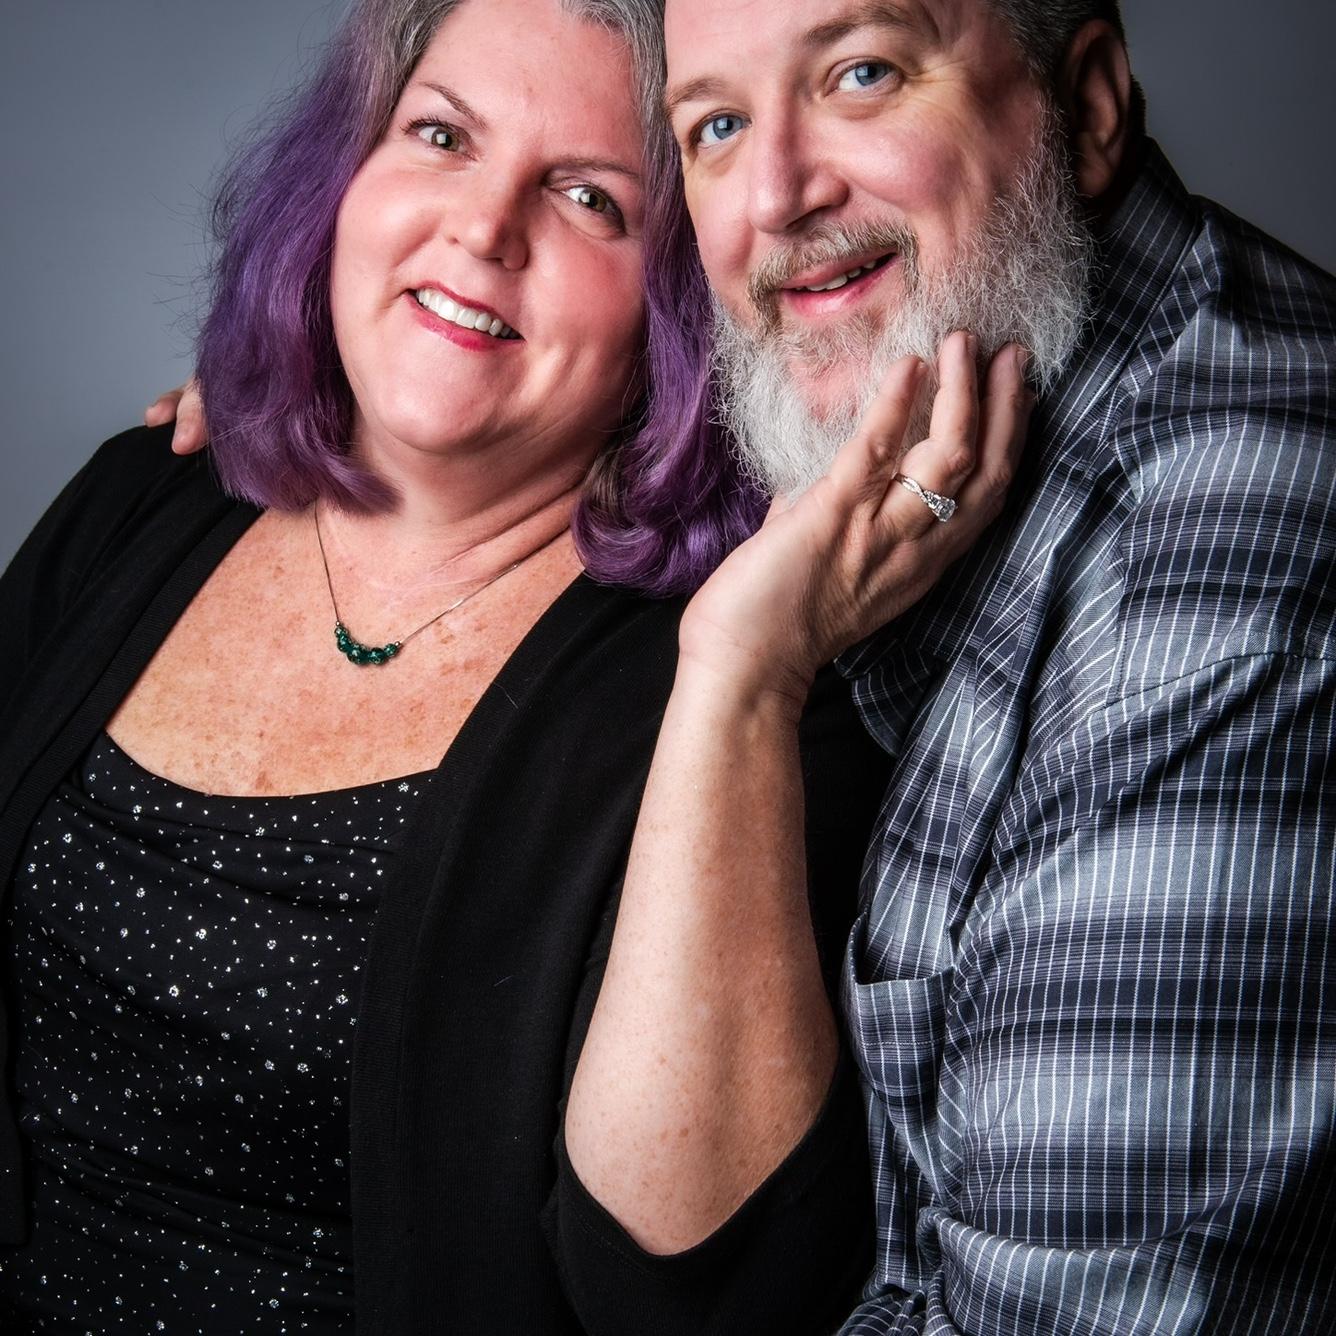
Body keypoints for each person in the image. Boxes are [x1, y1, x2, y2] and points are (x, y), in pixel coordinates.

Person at [0, 0, 1032, 1332]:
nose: (483, 230)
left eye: (591, 201)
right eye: (438, 135)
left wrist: (743, 678)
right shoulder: (143, 502)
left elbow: (691, 1297)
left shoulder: (745, 681)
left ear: (680, 310)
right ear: (346, 180)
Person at [651, 0, 1334, 1332]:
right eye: (717, 125)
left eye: (860, 74)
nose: (777, 196)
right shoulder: (945, 381)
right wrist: (314, 410)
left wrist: (737, 672)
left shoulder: (1209, 585)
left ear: (1084, 108)